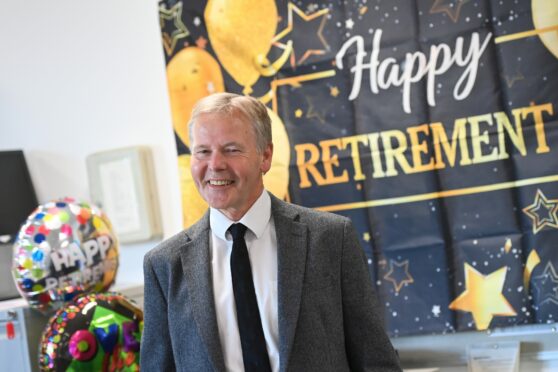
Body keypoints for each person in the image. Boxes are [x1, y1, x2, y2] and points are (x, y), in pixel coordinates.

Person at [141, 92, 401, 371]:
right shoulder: (164, 265)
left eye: (231, 149)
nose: (215, 164)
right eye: (203, 151)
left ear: (265, 156)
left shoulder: (330, 239)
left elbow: (375, 359)